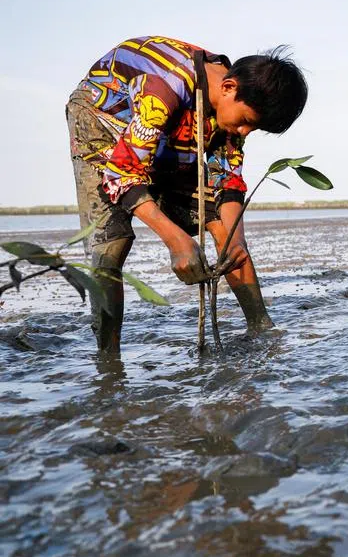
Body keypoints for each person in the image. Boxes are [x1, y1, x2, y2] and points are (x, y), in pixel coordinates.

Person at [67, 36, 308, 354]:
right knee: (112, 245)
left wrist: (236, 242)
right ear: (228, 88)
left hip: (171, 125)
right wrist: (176, 240)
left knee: (225, 232)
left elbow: (228, 179)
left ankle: (261, 326)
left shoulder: (232, 101)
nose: (245, 132)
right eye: (247, 122)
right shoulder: (165, 90)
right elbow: (122, 174)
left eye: (255, 128)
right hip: (103, 119)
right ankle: (108, 356)